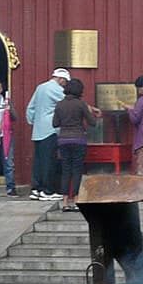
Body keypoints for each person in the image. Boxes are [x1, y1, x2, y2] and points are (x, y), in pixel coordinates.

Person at [52, 77, 102, 212]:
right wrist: (93, 114)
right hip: (78, 139)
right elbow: (92, 123)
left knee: (66, 170)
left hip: (63, 140)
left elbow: (55, 123)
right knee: (77, 170)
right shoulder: (81, 104)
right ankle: (75, 200)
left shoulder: (59, 104)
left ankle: (65, 202)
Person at [26, 68, 69, 201]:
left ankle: (36, 189)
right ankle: (48, 191)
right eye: (65, 82)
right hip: (50, 129)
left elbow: (30, 108)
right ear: (61, 79)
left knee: (38, 161)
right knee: (49, 161)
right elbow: (68, 102)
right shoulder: (56, 89)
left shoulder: (40, 87)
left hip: (38, 130)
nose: (65, 85)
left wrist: (33, 121)